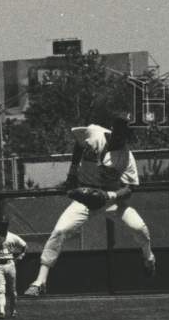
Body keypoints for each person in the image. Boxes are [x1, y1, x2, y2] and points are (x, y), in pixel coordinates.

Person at [24, 115, 155, 295]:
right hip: (85, 196)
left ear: (128, 137)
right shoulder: (94, 133)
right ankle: (40, 281)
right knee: (60, 231)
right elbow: (78, 143)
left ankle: (148, 257)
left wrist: (108, 195)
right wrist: (71, 172)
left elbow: (130, 188)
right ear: (112, 129)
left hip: (110, 200)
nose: (118, 136)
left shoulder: (126, 157)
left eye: (124, 133)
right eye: (117, 130)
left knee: (139, 227)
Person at [0, 217, 27, 318]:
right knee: (0, 289)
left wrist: (21, 256)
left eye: (5, 225)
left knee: (12, 290)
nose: (3, 227)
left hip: (10, 264)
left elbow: (24, 246)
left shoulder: (13, 237)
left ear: (7, 226)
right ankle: (1, 311)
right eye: (1, 225)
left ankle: (13, 311)